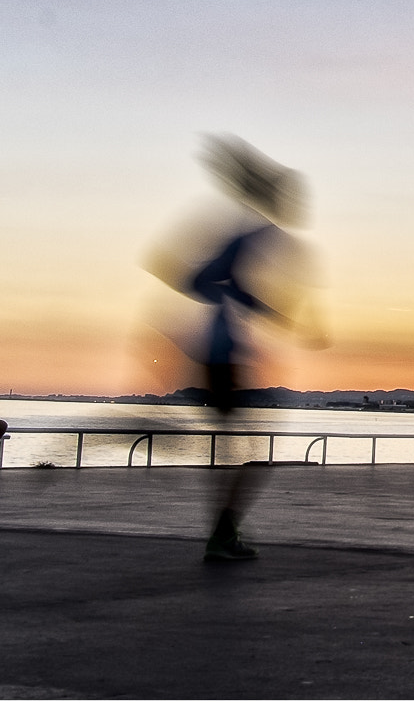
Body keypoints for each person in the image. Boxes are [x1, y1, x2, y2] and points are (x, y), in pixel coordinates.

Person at [145, 135, 327, 561]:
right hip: (219, 351)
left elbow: (207, 282)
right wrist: (256, 305)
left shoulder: (255, 233)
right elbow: (191, 278)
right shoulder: (252, 234)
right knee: (246, 449)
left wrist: (258, 306)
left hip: (219, 351)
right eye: (291, 198)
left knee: (239, 445)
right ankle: (222, 531)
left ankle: (222, 531)